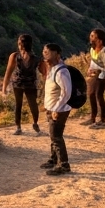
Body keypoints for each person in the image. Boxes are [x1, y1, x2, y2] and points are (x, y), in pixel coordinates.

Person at [1, 34, 46, 135]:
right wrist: (4, 89)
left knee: (32, 105)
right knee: (18, 105)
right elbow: (8, 73)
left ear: (24, 44)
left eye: (20, 43)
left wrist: (46, 87)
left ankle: (34, 123)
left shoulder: (36, 59)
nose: (19, 45)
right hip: (18, 83)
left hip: (30, 84)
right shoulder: (15, 56)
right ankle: (19, 127)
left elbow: (44, 73)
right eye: (19, 43)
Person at [40, 43, 73, 175]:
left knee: (56, 136)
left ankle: (64, 165)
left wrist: (57, 109)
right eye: (44, 51)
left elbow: (66, 92)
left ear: (57, 54)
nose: (44, 53)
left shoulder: (61, 71)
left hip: (59, 109)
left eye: (48, 52)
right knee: (53, 135)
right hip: (53, 108)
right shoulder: (52, 69)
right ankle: (54, 159)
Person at [84, 28, 105, 129]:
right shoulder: (92, 50)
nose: (91, 38)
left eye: (93, 36)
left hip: (102, 76)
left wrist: (97, 71)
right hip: (94, 76)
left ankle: (102, 120)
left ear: (100, 40)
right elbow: (93, 64)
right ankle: (92, 118)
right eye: (91, 36)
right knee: (91, 95)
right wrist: (90, 70)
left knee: (99, 96)